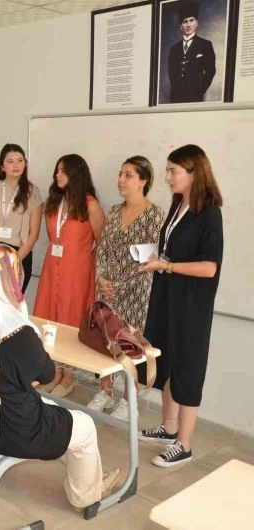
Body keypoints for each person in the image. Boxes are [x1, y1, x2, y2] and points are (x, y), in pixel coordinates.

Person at [0, 245, 120, 510]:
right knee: (85, 425)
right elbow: (46, 374)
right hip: (15, 431)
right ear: (11, 280)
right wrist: (22, 376)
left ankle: (85, 474)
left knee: (54, 407)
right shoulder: (18, 332)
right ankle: (86, 496)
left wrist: (14, 377)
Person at [138, 145, 223, 467]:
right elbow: (173, 249)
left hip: (191, 305)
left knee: (187, 367)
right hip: (168, 296)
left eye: (173, 171)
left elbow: (209, 267)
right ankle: (169, 428)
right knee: (167, 358)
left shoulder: (209, 212)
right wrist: (154, 259)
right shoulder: (178, 204)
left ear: (194, 173)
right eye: (168, 170)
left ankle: (184, 444)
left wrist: (167, 266)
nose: (168, 177)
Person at [89, 157, 166, 420]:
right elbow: (102, 250)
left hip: (136, 292)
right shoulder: (113, 211)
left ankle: (127, 399)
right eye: (120, 174)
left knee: (130, 345)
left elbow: (149, 261)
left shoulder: (154, 216)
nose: (121, 180)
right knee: (105, 341)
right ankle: (105, 391)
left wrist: (119, 287)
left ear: (143, 181)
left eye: (128, 175)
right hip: (107, 289)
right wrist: (101, 278)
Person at [34, 154, 106, 397]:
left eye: (63, 171)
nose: (58, 175)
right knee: (50, 318)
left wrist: (86, 264)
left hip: (77, 273)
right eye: (57, 171)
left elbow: (103, 242)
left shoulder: (90, 205)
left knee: (70, 320)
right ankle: (54, 371)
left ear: (76, 174)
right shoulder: (54, 202)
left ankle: (69, 376)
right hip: (51, 269)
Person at [0, 143, 43, 293]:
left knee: (12, 303)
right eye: (10, 161)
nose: (16, 165)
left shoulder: (32, 192)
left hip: (19, 256)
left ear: (25, 164)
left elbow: (34, 234)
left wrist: (14, 260)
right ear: (2, 166)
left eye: (20, 161)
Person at [167, 0, 216, 103]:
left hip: (195, 98)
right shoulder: (174, 49)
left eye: (191, 20)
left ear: (196, 23)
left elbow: (211, 71)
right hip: (175, 99)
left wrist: (199, 91)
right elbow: (171, 74)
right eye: (185, 21)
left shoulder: (206, 45)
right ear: (181, 26)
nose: (188, 24)